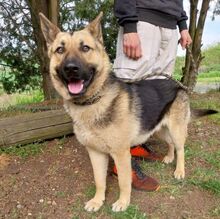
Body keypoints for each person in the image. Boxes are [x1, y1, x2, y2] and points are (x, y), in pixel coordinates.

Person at [112, 0, 192, 191]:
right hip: (142, 21)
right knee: (125, 92)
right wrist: (130, 25)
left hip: (170, 27)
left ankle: (136, 144)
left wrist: (182, 24)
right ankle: (121, 164)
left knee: (158, 96)